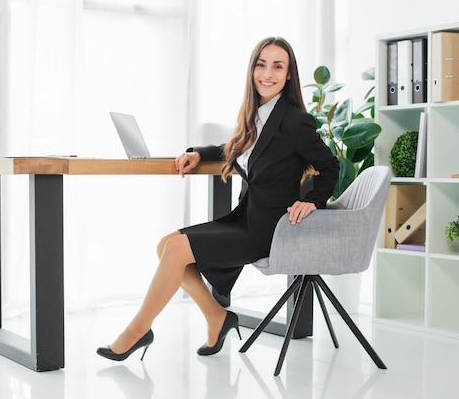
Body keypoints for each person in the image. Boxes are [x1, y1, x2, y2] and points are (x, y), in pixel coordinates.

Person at [97, 36, 339, 361]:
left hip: (269, 230)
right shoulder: (257, 115)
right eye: (261, 64)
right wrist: (198, 153)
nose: (267, 73)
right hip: (246, 219)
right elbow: (234, 149)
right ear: (252, 69)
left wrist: (314, 200)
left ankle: (137, 331)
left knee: (176, 248)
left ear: (289, 74)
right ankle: (216, 316)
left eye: (277, 66)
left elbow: (330, 165)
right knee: (165, 246)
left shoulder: (293, 120)